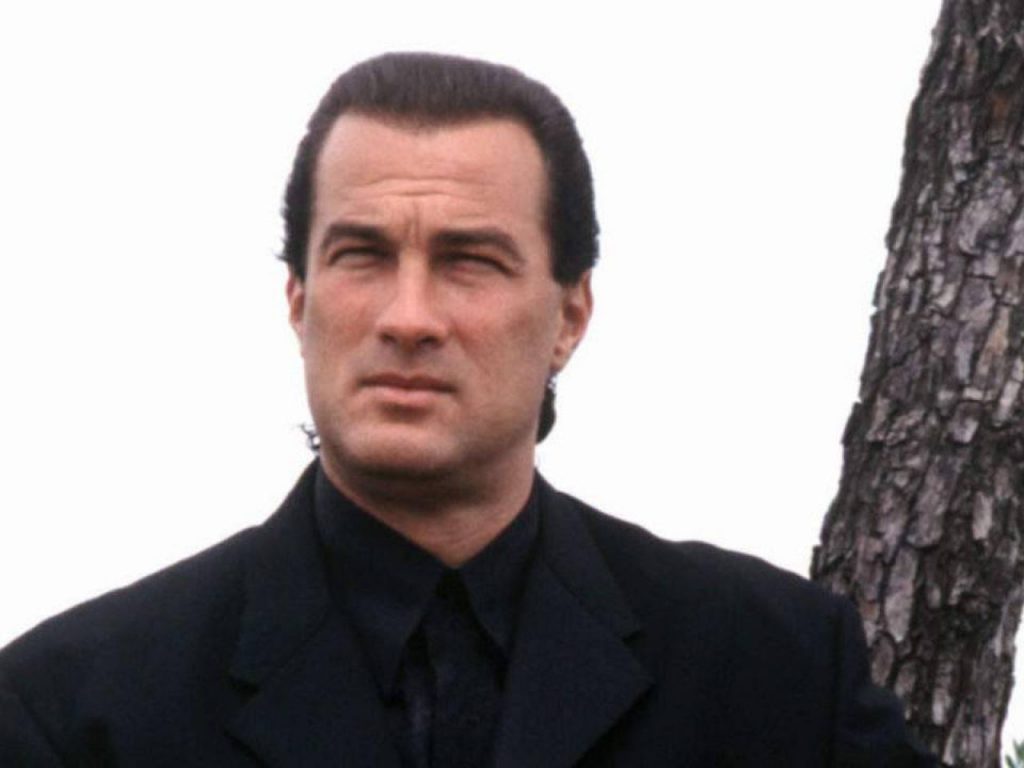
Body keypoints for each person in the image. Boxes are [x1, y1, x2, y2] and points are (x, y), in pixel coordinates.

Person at [0, 52, 934, 767]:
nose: (408, 317)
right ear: (298, 301)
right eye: (362, 255)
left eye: (469, 261)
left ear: (570, 316)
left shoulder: (777, 671)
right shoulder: (72, 710)